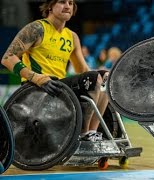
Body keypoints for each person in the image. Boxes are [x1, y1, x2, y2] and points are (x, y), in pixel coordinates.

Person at [1, 0, 109, 142]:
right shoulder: (37, 28)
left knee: (105, 78)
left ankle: (91, 132)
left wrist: (104, 75)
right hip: (35, 89)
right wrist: (37, 78)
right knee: (94, 78)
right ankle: (82, 134)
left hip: (59, 88)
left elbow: (82, 69)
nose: (67, 6)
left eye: (70, 3)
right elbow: (7, 58)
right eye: (62, 2)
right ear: (50, 6)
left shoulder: (72, 36)